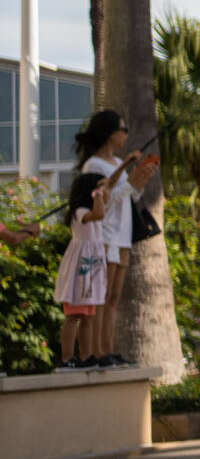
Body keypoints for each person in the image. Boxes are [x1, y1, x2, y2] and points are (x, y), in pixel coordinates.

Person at [74, 110, 158, 366]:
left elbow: (126, 198)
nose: (125, 135)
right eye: (124, 130)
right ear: (112, 134)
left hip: (122, 236)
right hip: (106, 235)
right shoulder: (94, 166)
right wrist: (128, 180)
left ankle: (107, 350)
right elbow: (104, 201)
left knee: (113, 298)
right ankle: (96, 353)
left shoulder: (117, 162)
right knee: (102, 296)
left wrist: (138, 182)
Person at [54, 174, 111, 370]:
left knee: (88, 316)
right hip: (79, 271)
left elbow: (104, 207)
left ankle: (85, 357)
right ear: (91, 191)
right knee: (73, 316)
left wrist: (104, 191)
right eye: (100, 189)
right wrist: (97, 193)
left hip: (91, 271)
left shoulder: (95, 207)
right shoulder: (80, 212)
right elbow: (99, 214)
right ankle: (66, 358)